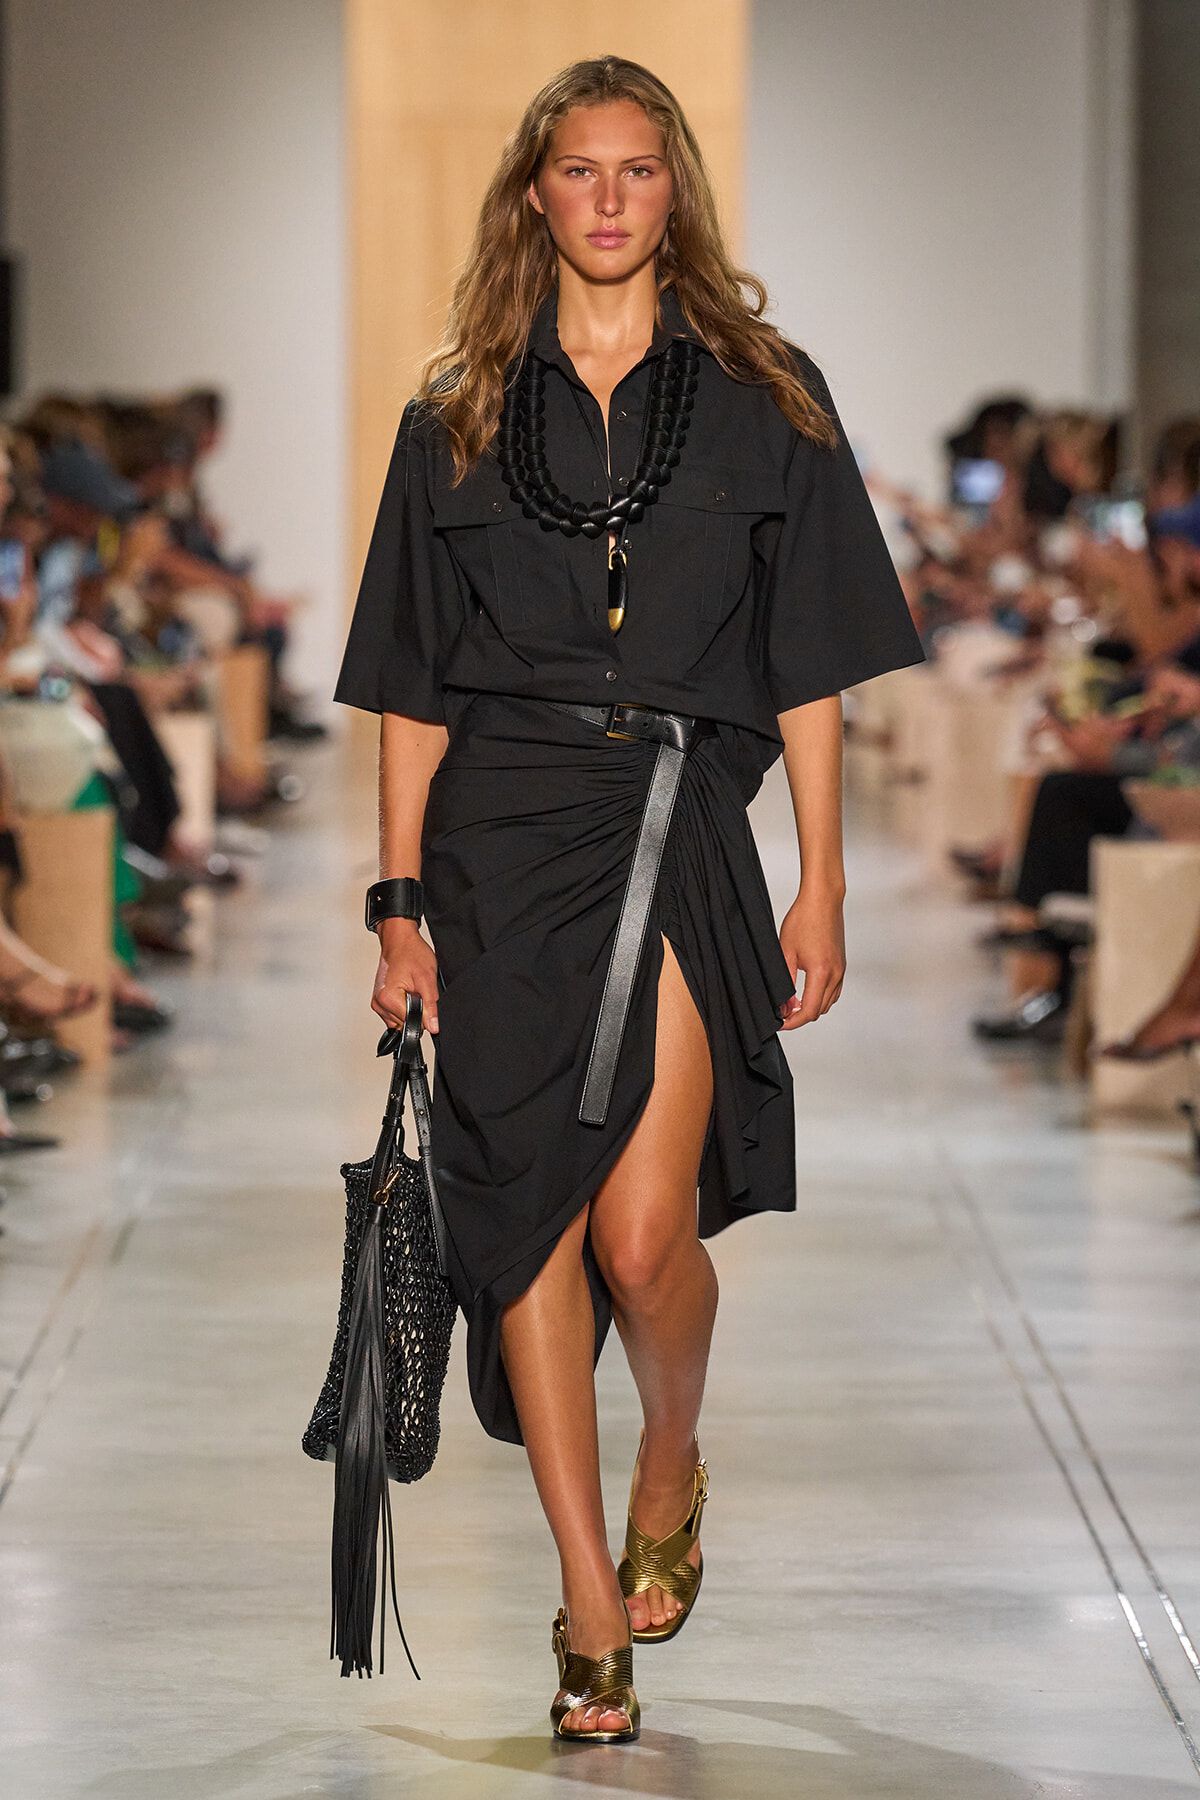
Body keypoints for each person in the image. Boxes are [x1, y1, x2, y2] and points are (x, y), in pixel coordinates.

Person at [335, 56, 922, 1743]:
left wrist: (822, 876)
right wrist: (396, 908)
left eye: (637, 172)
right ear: (538, 194)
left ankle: (672, 1449)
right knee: (520, 1216)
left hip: (679, 816)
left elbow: (811, 658)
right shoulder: (453, 410)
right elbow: (409, 687)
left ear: (676, 194)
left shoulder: (767, 396)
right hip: (499, 838)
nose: (607, 199)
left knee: (647, 1234)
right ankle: (589, 1595)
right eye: (579, 172)